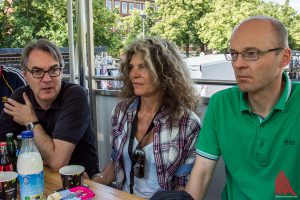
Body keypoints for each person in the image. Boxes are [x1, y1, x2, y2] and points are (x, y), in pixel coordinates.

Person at [185, 16, 300, 199]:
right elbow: (202, 173)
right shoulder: (221, 104)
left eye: (252, 53)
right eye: (234, 54)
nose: (238, 64)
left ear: (284, 58)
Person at [93, 37, 201, 199]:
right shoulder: (121, 113)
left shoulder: (187, 123)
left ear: (164, 72)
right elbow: (116, 163)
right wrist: (95, 181)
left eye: (143, 67)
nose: (134, 74)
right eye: (131, 67)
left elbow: (182, 188)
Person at [0, 39, 99, 178]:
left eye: (53, 70)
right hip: (36, 178)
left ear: (61, 71)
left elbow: (57, 163)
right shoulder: (20, 97)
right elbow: (3, 144)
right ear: (26, 76)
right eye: (37, 71)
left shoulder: (75, 95)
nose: (47, 79)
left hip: (80, 185)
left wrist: (31, 122)